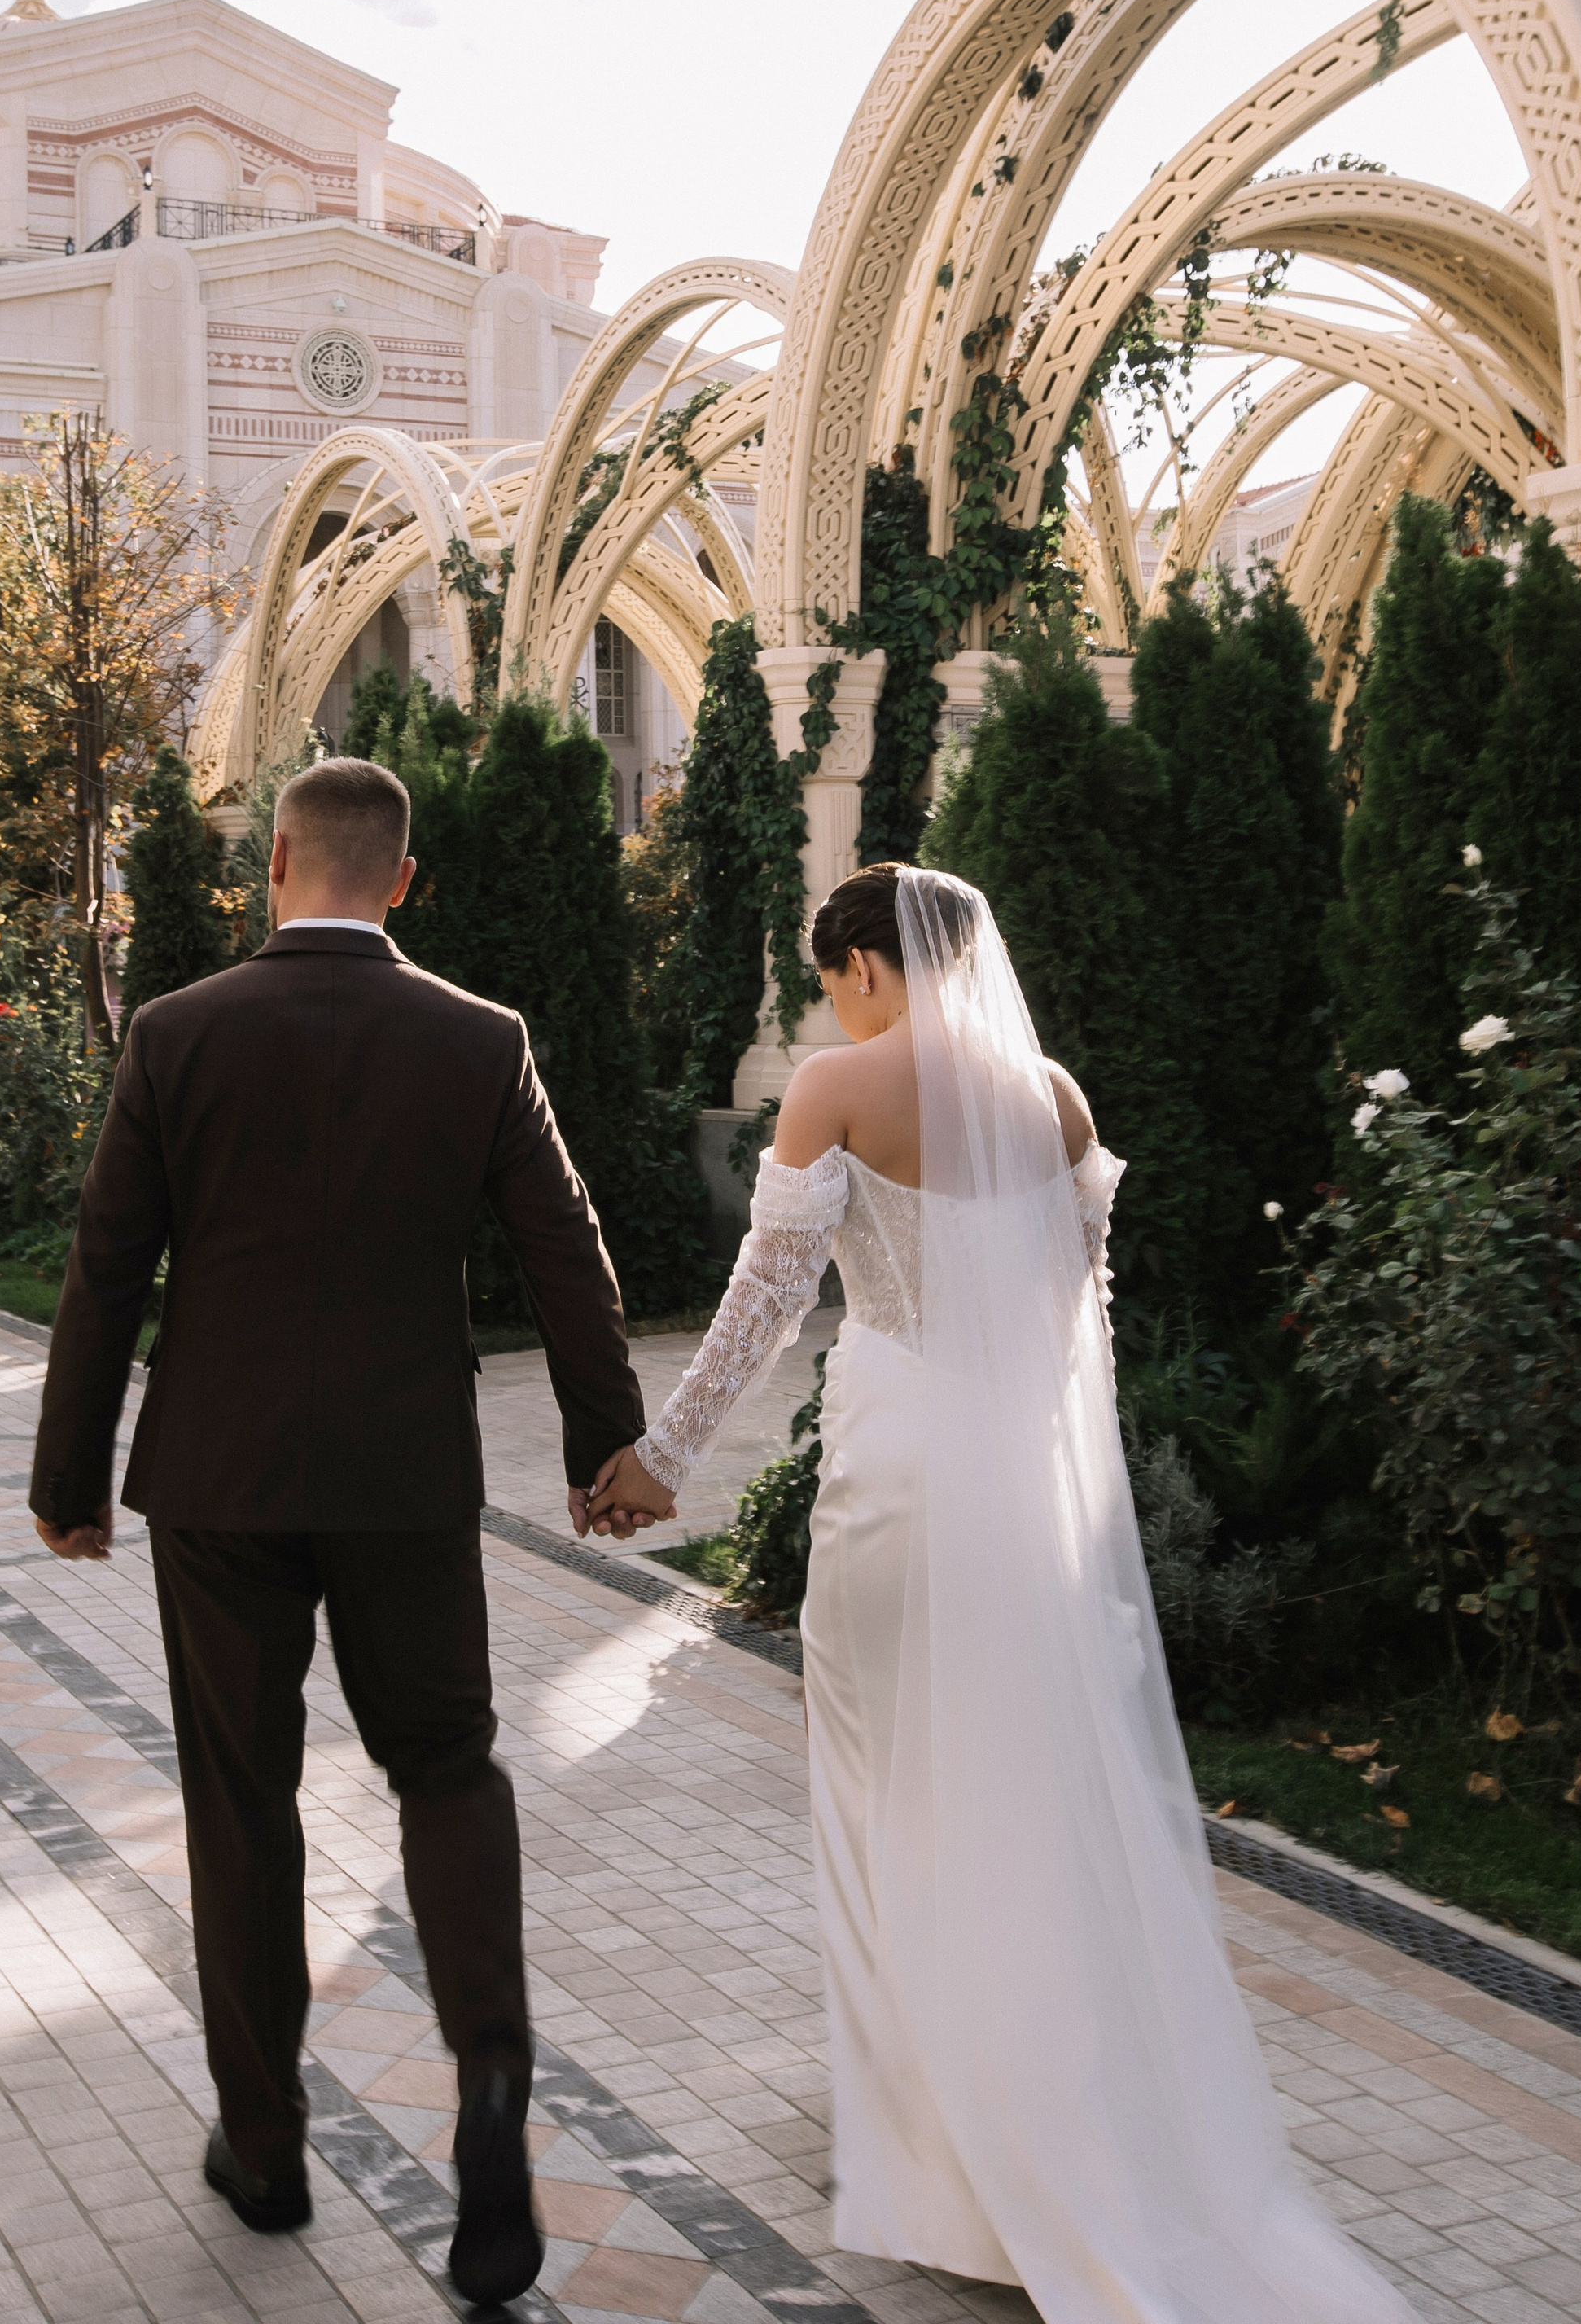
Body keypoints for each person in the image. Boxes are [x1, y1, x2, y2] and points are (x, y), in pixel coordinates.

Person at [590, 862, 1414, 2324]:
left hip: (902, 1472)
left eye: (829, 980)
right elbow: (1082, 1315)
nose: (832, 1004)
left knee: (882, 1774)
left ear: (861, 967)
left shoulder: (834, 1087)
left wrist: (662, 1458)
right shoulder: (1056, 1099)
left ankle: (935, 2130)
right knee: (1023, 1785)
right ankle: (1035, 2097)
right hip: (1025, 1479)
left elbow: (767, 1303)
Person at [28, 754, 646, 2297]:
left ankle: (265, 2145)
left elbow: (108, 1266)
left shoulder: (177, 1033)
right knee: (447, 1769)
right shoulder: (480, 1038)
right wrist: (603, 1444)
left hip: (219, 1482)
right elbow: (565, 1251)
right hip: (404, 1478)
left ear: (277, 864)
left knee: (243, 1801)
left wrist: (69, 1476)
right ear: (404, 881)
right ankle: (489, 2082)